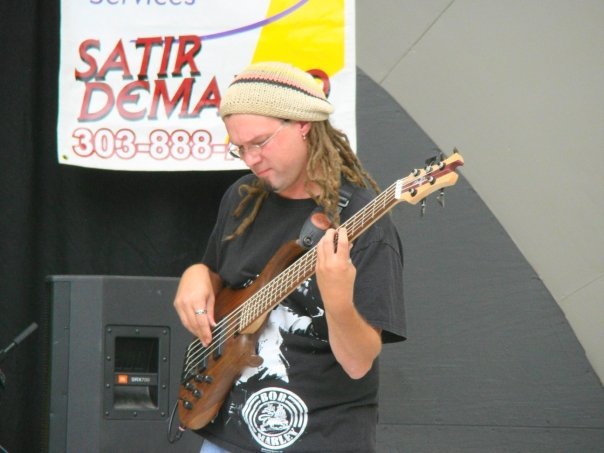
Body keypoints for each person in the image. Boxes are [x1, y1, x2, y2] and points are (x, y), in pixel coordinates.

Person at [173, 61, 406, 452]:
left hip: (319, 439)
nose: (251, 158)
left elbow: (358, 363)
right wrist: (195, 273)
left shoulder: (364, 224)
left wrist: (336, 300)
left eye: (260, 142)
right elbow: (219, 276)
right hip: (228, 437)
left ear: (303, 125)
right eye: (240, 147)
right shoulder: (242, 198)